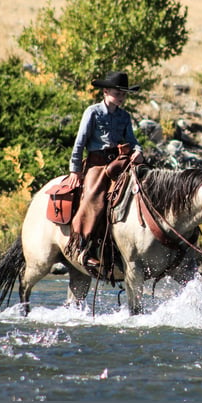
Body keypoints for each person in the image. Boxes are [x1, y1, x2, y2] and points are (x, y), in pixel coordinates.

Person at [68, 71, 144, 270]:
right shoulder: (92, 112)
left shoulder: (124, 116)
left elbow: (133, 141)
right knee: (94, 197)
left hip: (120, 162)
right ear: (105, 91)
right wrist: (75, 170)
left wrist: (138, 151)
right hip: (97, 164)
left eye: (124, 94)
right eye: (118, 93)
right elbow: (80, 142)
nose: (121, 97)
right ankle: (84, 248)